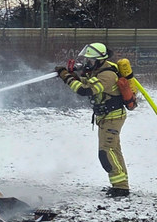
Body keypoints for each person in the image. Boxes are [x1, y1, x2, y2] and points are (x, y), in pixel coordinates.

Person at [56, 42, 132, 197]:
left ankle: (121, 189)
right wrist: (73, 75)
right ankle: (120, 185)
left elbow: (85, 90)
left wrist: (66, 77)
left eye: (90, 61)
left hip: (112, 117)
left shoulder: (107, 75)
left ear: (99, 60)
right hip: (106, 117)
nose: (86, 63)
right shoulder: (99, 70)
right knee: (114, 151)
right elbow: (86, 82)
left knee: (105, 152)